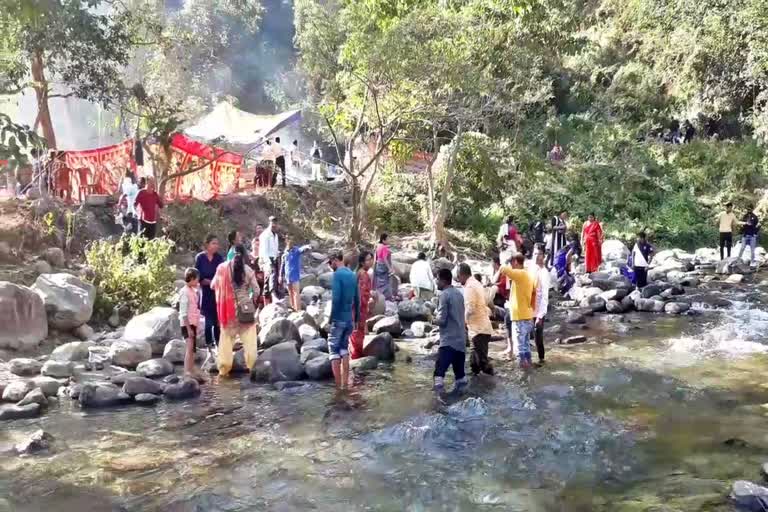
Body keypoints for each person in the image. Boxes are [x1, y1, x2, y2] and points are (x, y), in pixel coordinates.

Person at [211, 245, 260, 377]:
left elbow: (213, 285)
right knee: (250, 343)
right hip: (245, 311)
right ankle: (252, 370)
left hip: (228, 312)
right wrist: (250, 299)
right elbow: (256, 290)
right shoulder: (248, 270)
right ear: (244, 256)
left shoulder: (221, 268)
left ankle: (223, 371)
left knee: (226, 343)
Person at [327, 252, 360, 390]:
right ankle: (345, 385)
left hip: (338, 318)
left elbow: (336, 299)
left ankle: (338, 388)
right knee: (344, 349)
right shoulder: (352, 274)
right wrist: (356, 319)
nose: (330, 266)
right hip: (349, 319)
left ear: (335, 260)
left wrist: (330, 319)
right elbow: (357, 299)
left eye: (330, 263)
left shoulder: (337, 275)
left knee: (334, 350)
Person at [433, 268, 468, 394]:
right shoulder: (459, 294)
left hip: (448, 342)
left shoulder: (444, 295)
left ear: (443, 280)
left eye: (437, 279)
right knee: (460, 377)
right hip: (461, 342)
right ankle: (463, 400)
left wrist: (431, 319)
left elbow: (442, 320)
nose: (436, 282)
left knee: (438, 375)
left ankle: (438, 405)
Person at [499, 253, 536, 368]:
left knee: (520, 348)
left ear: (515, 261)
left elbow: (503, 270)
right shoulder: (527, 274)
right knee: (526, 346)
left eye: (512, 262)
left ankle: (523, 376)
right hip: (527, 315)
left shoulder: (520, 274)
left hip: (520, 317)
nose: (511, 265)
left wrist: (505, 262)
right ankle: (529, 368)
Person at [457, 263, 494, 376]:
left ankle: (497, 385)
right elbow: (487, 300)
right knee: (474, 363)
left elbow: (470, 308)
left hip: (479, 330)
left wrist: (463, 321)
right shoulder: (477, 283)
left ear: (462, 275)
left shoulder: (470, 287)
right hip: (480, 329)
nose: (458, 280)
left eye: (458, 277)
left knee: (483, 363)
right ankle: (476, 385)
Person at [195, 235, 224, 348]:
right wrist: (207, 282)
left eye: (217, 243)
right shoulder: (200, 258)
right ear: (207, 244)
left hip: (217, 292)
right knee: (208, 320)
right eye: (213, 243)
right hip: (205, 292)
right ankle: (208, 344)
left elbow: (222, 274)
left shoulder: (219, 258)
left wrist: (215, 282)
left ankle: (219, 342)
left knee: (217, 320)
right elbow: (196, 276)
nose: (216, 245)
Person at [178, 267, 204, 380]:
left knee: (193, 349)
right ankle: (187, 371)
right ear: (192, 278)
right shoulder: (184, 292)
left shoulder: (192, 291)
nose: (198, 281)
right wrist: (188, 329)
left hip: (193, 323)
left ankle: (191, 369)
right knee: (189, 348)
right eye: (197, 279)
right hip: (187, 324)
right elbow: (183, 313)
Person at [527, 246, 550, 365]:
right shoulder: (530, 268)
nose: (536, 256)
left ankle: (541, 360)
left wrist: (540, 316)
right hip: (528, 308)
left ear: (543, 256)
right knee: (525, 335)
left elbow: (545, 296)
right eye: (535, 253)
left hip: (538, 309)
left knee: (538, 338)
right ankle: (527, 360)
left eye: (539, 254)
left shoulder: (544, 273)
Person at [349, 251, 374, 360]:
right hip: (358, 309)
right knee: (357, 335)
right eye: (368, 260)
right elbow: (361, 294)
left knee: (355, 335)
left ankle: (354, 357)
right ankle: (356, 358)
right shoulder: (363, 274)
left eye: (371, 259)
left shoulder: (358, 273)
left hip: (356, 309)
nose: (371, 261)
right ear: (362, 262)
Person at [280, 235, 311, 311]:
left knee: (296, 293)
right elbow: (282, 265)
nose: (289, 241)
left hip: (295, 275)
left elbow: (302, 249)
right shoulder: (285, 253)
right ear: (286, 241)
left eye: (291, 240)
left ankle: (298, 310)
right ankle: (293, 308)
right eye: (288, 240)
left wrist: (307, 247)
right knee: (290, 293)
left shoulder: (296, 250)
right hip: (287, 275)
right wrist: (280, 275)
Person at [259, 216, 281, 301]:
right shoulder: (265, 235)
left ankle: (273, 298)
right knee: (268, 279)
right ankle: (272, 296)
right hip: (267, 259)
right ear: (270, 223)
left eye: (276, 223)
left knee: (274, 279)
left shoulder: (275, 235)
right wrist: (268, 263)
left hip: (274, 258)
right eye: (273, 223)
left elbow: (275, 248)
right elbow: (264, 251)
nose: (274, 225)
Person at [118, 170, 139, 235]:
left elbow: (122, 194)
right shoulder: (133, 186)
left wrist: (119, 205)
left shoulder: (131, 186)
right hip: (132, 212)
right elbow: (123, 194)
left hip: (131, 212)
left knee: (130, 230)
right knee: (132, 230)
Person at [373, 233, 393, 300]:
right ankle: (385, 297)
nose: (389, 240)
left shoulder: (379, 246)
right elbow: (385, 259)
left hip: (378, 265)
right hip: (383, 266)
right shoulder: (384, 247)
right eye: (387, 239)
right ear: (383, 240)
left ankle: (379, 295)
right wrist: (389, 268)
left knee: (379, 281)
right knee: (385, 282)